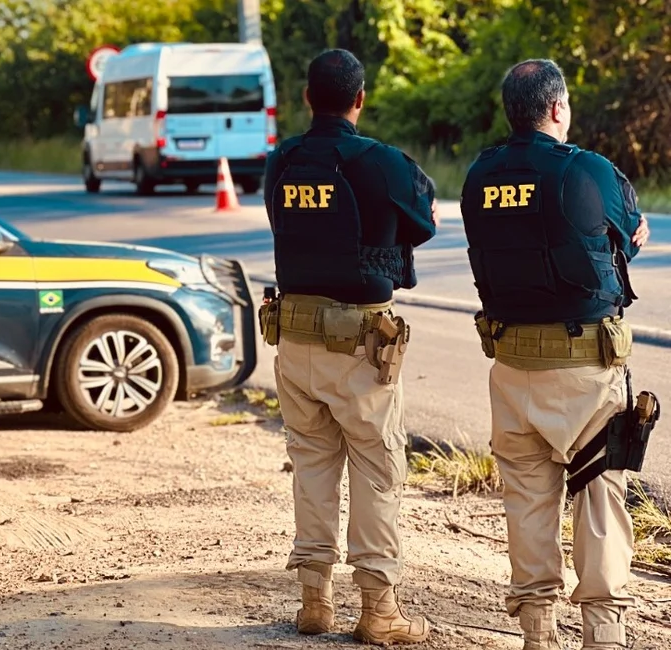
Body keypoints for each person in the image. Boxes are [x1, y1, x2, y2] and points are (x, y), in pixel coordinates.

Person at [460, 58, 653, 650]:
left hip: (512, 369)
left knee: (526, 501)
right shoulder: (590, 172)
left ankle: (537, 633)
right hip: (585, 372)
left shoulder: (478, 176)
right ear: (556, 108)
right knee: (600, 494)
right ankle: (602, 633)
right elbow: (628, 236)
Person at [260, 48, 437, 645]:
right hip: (361, 346)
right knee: (377, 468)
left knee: (311, 465)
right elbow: (424, 220)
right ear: (360, 99)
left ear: (308, 98)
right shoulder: (381, 162)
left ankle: (315, 601)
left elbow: (280, 224)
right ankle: (378, 611)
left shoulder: (282, 160)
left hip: (294, 339)